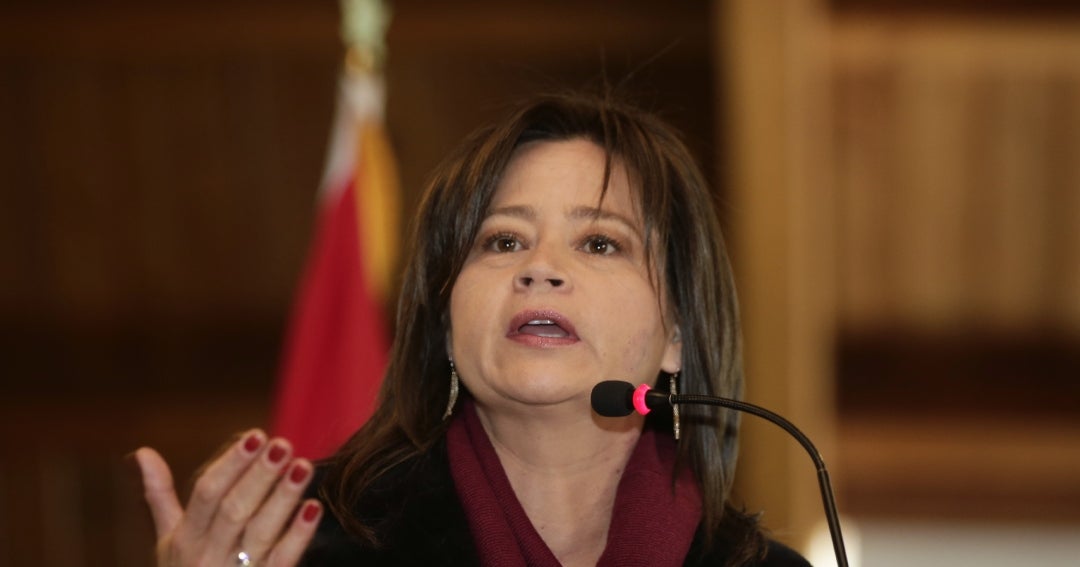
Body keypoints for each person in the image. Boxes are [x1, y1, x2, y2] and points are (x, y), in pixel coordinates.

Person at [132, 91, 812, 567]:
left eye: (600, 243)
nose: (539, 268)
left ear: (678, 337)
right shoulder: (302, 543)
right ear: (446, 322)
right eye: (502, 241)